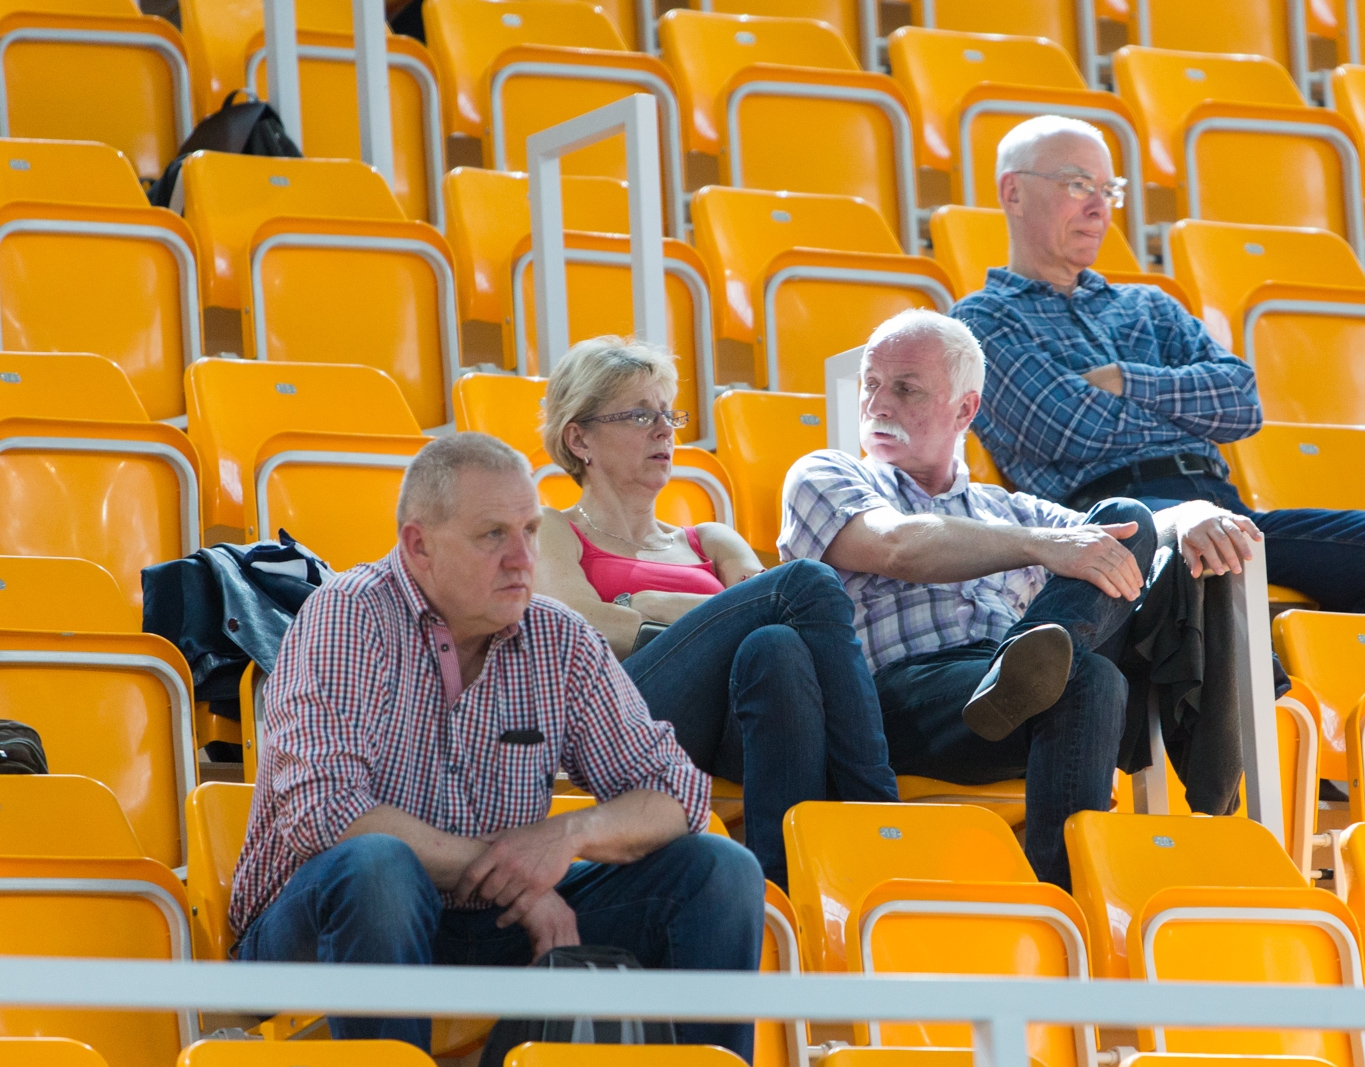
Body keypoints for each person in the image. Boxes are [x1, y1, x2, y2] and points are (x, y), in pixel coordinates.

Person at [230, 432, 765, 1059]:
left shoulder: (557, 637)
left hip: (490, 922)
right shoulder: (347, 617)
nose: (522, 560)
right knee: (378, 867)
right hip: (319, 919)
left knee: (720, 870)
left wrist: (568, 839)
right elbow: (327, 814)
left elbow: (676, 793)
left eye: (532, 531)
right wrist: (520, 884)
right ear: (418, 545)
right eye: (493, 536)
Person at [778, 309, 1261, 890]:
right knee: (1080, 664)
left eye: (905, 389)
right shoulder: (825, 473)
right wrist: (1041, 547)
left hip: (1010, 704)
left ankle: (1057, 907)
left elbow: (1134, 534)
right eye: (871, 384)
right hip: (900, 700)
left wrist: (1196, 511)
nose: (879, 404)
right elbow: (895, 545)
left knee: (1111, 587)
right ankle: (1073, 899)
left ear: (965, 410)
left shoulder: (1008, 509)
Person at [951, 115, 1365, 619]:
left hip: (1224, 507)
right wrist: (1185, 408)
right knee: (1209, 568)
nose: (1099, 208)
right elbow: (1069, 427)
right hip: (1117, 525)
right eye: (1077, 185)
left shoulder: (1149, 304)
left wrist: (1125, 381)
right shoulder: (981, 321)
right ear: (1013, 191)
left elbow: (1241, 402)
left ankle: (1335, 674)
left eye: (1109, 191)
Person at [535, 337, 898, 891]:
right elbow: (584, 627)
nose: (664, 431)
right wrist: (709, 619)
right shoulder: (554, 529)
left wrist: (642, 607)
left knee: (776, 647)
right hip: (622, 716)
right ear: (579, 437)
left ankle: (782, 892)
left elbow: (768, 618)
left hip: (727, 721)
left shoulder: (710, 537)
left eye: (668, 414)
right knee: (805, 581)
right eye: (639, 415)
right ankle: (875, 808)